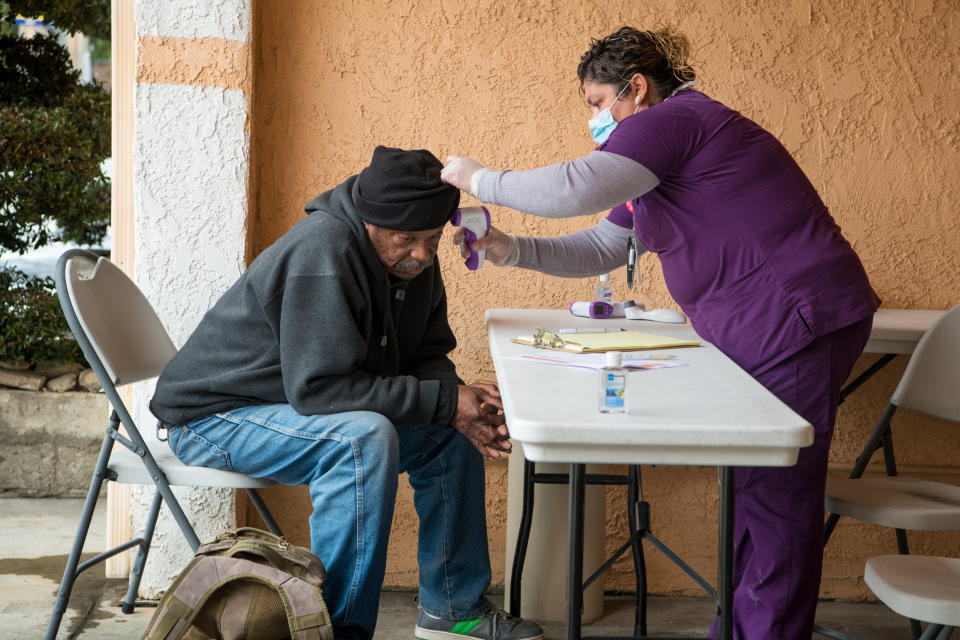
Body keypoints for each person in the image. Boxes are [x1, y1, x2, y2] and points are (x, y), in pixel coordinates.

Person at [440, 26, 880, 640]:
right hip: (764, 324)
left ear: (637, 89)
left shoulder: (672, 121)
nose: (595, 119)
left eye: (598, 104)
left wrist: (477, 177)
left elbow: (574, 187)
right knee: (755, 487)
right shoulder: (661, 160)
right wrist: (507, 247)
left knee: (777, 495)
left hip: (794, 314)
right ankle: (741, 629)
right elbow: (600, 244)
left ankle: (770, 633)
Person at [150, 146, 544, 640]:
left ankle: (453, 608)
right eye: (407, 239)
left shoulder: (411, 261)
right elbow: (322, 389)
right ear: (370, 222)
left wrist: (457, 403)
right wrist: (446, 402)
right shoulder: (325, 251)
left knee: (448, 436)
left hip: (292, 405)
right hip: (215, 416)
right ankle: (334, 632)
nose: (421, 254)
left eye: (431, 238)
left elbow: (427, 353)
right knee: (362, 439)